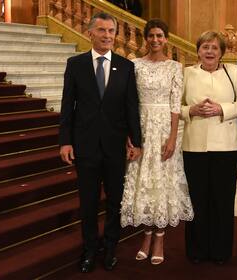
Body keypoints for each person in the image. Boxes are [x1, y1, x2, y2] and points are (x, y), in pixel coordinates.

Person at [59, 12, 142, 273]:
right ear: (90, 33)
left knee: (115, 202)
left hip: (116, 147)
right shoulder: (75, 64)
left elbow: (131, 107)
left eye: (111, 31)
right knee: (89, 202)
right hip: (84, 147)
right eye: (102, 31)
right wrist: (65, 141)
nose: (107, 36)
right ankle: (89, 250)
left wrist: (136, 141)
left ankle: (110, 248)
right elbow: (67, 107)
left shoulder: (126, 66)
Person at [120, 19, 194, 265]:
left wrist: (173, 137)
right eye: (150, 35)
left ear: (166, 38)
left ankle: (159, 238)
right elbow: (129, 102)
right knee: (144, 181)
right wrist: (130, 134)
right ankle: (146, 237)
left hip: (164, 128)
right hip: (141, 127)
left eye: (159, 35)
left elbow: (175, 105)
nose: (155, 40)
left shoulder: (174, 67)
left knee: (161, 182)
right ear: (144, 38)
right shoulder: (134, 65)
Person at [181, 31, 237, 264]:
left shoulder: (235, 72)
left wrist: (221, 109)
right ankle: (197, 251)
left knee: (222, 200)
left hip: (227, 146)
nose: (209, 52)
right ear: (198, 51)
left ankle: (221, 252)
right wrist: (191, 110)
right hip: (194, 146)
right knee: (197, 200)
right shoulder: (187, 73)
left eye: (214, 48)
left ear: (221, 52)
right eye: (205, 47)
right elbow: (175, 107)